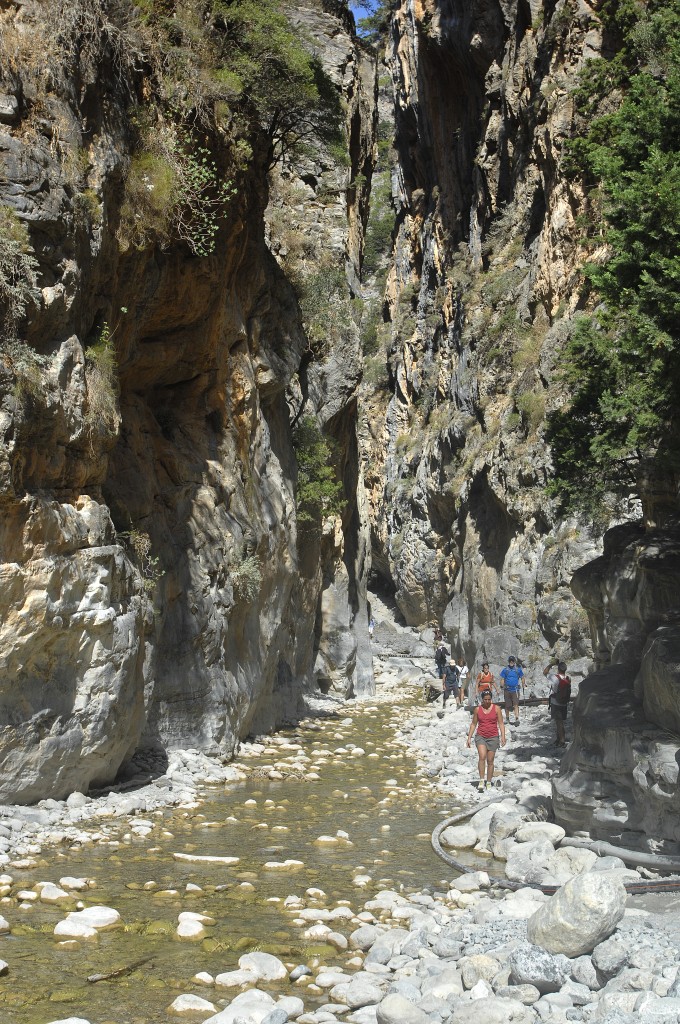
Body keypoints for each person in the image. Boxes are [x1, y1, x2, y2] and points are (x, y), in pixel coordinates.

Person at [466, 689, 506, 791]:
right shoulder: (477, 710)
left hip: (493, 737)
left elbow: (501, 723)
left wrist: (503, 736)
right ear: (482, 700)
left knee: (490, 760)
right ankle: (481, 780)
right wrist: (469, 737)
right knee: (482, 756)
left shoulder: (497, 709)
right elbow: (474, 724)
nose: (487, 701)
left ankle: (488, 781)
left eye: (489, 699)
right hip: (481, 736)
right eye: (485, 699)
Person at [544, 659, 571, 747]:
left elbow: (545, 672)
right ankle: (558, 739)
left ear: (558, 669)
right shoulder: (568, 678)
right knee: (560, 722)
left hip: (556, 702)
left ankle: (562, 741)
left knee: (559, 723)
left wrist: (551, 664)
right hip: (564, 702)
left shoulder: (554, 677)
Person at [500, 655, 524, 726]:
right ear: (508, 661)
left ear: (514, 661)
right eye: (510, 661)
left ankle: (517, 718)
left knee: (516, 704)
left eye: (512, 661)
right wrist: (501, 685)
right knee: (507, 705)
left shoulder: (518, 669)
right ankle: (507, 719)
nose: (511, 662)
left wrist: (523, 684)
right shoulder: (505, 670)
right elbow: (502, 679)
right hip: (507, 689)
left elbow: (522, 677)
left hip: (515, 690)